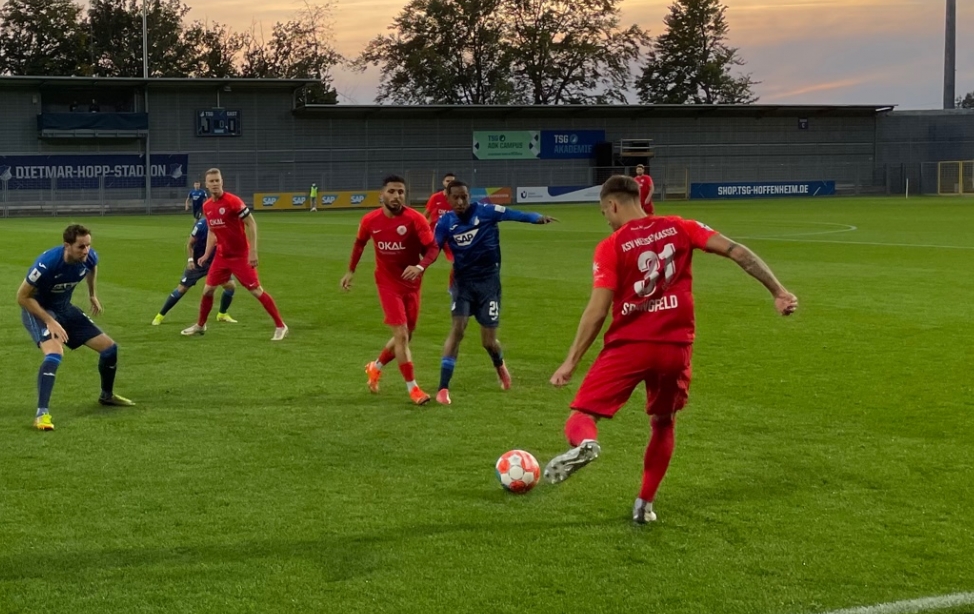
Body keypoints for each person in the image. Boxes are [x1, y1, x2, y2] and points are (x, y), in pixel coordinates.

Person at [545, 174, 798, 524]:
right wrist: (778, 291)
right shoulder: (680, 226)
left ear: (613, 205)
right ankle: (644, 505)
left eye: (605, 212)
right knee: (663, 424)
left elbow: (598, 310)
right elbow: (738, 252)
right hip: (675, 348)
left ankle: (585, 444)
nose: (607, 219)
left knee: (582, 415)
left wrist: (571, 361)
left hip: (629, 347)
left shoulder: (611, 246)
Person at [431, 180, 556, 403]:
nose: (460, 201)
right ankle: (442, 388)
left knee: (488, 341)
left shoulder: (486, 212)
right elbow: (433, 247)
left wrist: (536, 217)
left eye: (464, 197)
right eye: (456, 198)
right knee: (457, 329)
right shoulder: (445, 223)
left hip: (489, 284)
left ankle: (500, 366)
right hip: (463, 284)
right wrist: (419, 264)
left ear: (469, 196)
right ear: (448, 199)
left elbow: (513, 213)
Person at [16, 222, 132, 429]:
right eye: (81, 246)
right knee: (54, 353)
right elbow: (22, 297)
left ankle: (107, 396)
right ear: (67, 246)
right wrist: (50, 321)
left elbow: (92, 268)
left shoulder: (89, 257)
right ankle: (41, 414)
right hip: (38, 310)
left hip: (64, 308)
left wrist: (92, 295)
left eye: (88, 245)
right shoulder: (47, 264)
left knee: (109, 349)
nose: (86, 250)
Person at [340, 174, 439, 404]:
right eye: (392, 191)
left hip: (412, 284)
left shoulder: (415, 219)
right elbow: (359, 243)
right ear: (381, 195)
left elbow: (432, 247)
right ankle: (413, 389)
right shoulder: (370, 221)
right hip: (387, 283)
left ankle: (375, 367)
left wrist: (420, 266)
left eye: (401, 192)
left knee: (406, 336)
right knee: (401, 335)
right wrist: (351, 270)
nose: (397, 196)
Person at [181, 168, 288, 340]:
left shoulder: (233, 201)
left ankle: (280, 326)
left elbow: (251, 224)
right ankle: (200, 325)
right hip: (222, 256)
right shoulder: (207, 206)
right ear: (206, 184)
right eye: (212, 181)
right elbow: (212, 231)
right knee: (208, 290)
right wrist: (207, 254)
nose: (215, 184)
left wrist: (253, 251)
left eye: (218, 180)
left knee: (255, 290)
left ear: (222, 181)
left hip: (241, 256)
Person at [153, 194, 236, 325]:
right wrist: (191, 260)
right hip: (198, 263)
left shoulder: (223, 224)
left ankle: (222, 314)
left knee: (230, 286)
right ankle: (159, 316)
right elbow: (190, 244)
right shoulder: (201, 225)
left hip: (215, 262)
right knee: (182, 289)